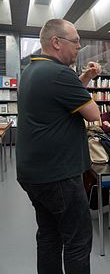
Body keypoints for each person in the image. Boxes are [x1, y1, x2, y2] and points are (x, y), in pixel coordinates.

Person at [16, 19, 101, 274]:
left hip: (35, 175)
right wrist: (83, 83)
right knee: (77, 241)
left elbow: (64, 97)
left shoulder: (31, 70)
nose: (78, 47)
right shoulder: (59, 74)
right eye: (75, 42)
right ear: (56, 42)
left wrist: (85, 77)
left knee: (49, 236)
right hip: (59, 175)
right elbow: (93, 113)